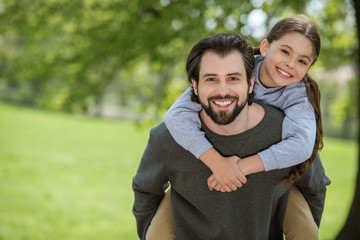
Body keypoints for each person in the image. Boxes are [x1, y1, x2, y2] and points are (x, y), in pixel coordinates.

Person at [132, 33, 330, 240]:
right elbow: (146, 191)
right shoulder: (169, 137)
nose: (223, 90)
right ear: (195, 86)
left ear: (250, 83)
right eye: (211, 79)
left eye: (233, 78)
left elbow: (314, 190)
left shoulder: (288, 135)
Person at [164, 15, 323, 193]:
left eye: (302, 61)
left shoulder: (297, 95)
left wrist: (239, 168)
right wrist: (217, 163)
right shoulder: (235, 67)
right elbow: (175, 116)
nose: (290, 64)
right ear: (265, 47)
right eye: (285, 52)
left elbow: (302, 146)